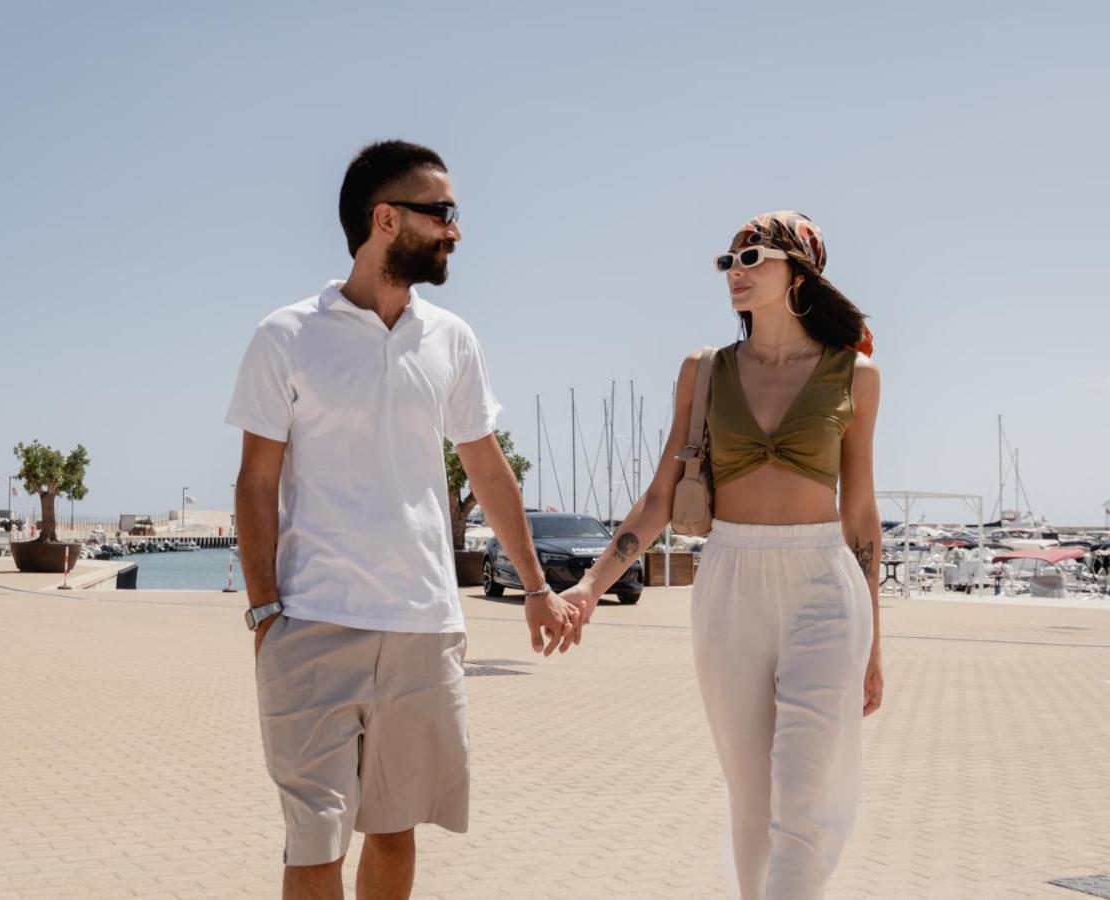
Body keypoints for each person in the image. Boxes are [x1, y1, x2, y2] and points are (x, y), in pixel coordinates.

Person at [225, 140, 581, 900]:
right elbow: (257, 483)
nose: (456, 231)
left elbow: (487, 471)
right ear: (385, 219)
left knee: (394, 830)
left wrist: (537, 588)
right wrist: (264, 613)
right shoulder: (286, 336)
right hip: (312, 626)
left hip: (424, 625)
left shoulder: (452, 339)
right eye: (441, 213)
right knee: (314, 840)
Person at [562, 211, 883, 899]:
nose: (736, 271)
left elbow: (859, 513)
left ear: (798, 271)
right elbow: (658, 497)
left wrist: (875, 642)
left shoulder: (854, 374)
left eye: (754, 257)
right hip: (731, 579)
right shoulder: (705, 371)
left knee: (802, 793)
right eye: (728, 261)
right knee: (751, 793)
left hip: (824, 583)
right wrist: (592, 584)